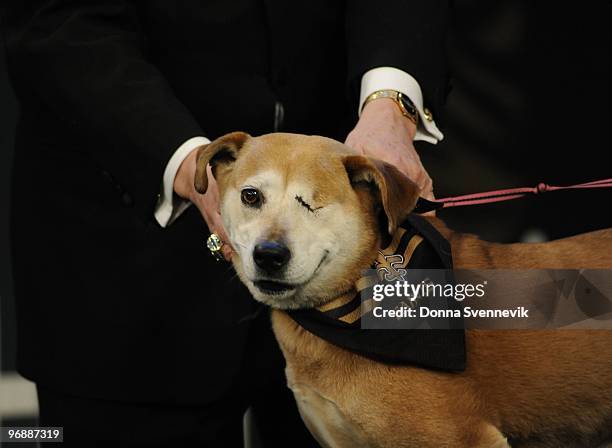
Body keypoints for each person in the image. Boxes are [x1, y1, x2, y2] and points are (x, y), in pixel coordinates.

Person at [1, 1, 450, 446]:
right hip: (123, 269)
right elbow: (58, 21)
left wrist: (390, 103)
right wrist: (184, 163)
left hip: (359, 272)